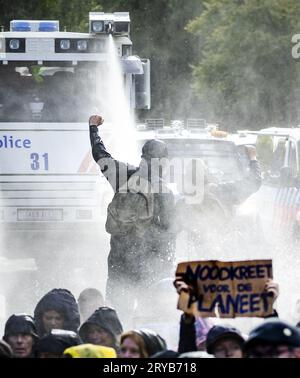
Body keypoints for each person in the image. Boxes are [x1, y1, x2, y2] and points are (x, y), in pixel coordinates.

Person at [89, 115, 176, 319]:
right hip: (151, 264)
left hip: (120, 260)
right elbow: (170, 230)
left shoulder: (122, 175)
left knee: (118, 314)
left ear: (143, 156)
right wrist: (167, 264)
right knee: (149, 316)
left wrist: (93, 129)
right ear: (163, 161)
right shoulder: (165, 190)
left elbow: (100, 155)